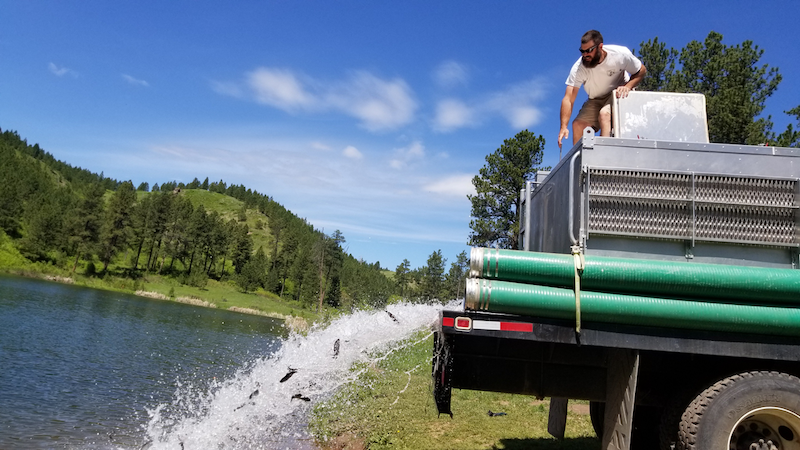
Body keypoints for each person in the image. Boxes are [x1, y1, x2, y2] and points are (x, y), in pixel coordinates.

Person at [558, 30, 647, 149]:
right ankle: (581, 163)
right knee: (578, 125)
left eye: (589, 51)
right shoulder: (579, 67)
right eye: (582, 51)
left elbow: (641, 70)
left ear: (600, 47)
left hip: (618, 93)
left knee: (604, 115)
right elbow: (569, 98)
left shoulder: (620, 55)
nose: (585, 55)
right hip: (595, 99)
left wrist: (628, 86)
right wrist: (564, 127)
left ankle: (605, 158)